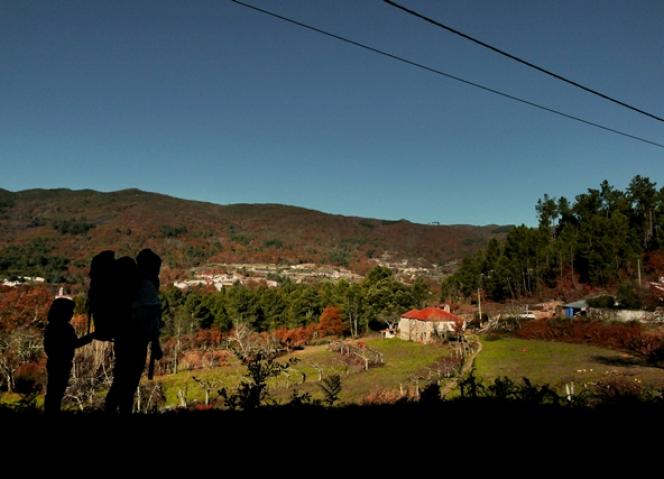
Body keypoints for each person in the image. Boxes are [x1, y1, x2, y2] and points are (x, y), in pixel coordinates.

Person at [44, 296, 93, 414]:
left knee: (53, 391)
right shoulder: (65, 328)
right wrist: (90, 337)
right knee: (56, 391)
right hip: (61, 363)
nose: (71, 314)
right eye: (69, 311)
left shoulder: (51, 326)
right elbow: (74, 344)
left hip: (54, 362)